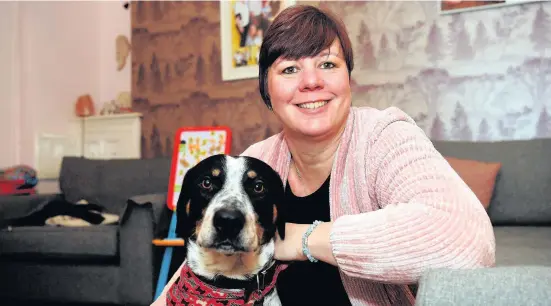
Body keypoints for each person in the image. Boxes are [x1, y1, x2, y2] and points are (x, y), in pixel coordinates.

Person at [239, 4, 496, 305]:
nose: (311, 81)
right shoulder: (256, 162)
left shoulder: (383, 136)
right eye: (290, 69)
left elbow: (466, 240)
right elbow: (201, 268)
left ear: (348, 78)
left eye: (327, 64)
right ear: (266, 89)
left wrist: (301, 239)